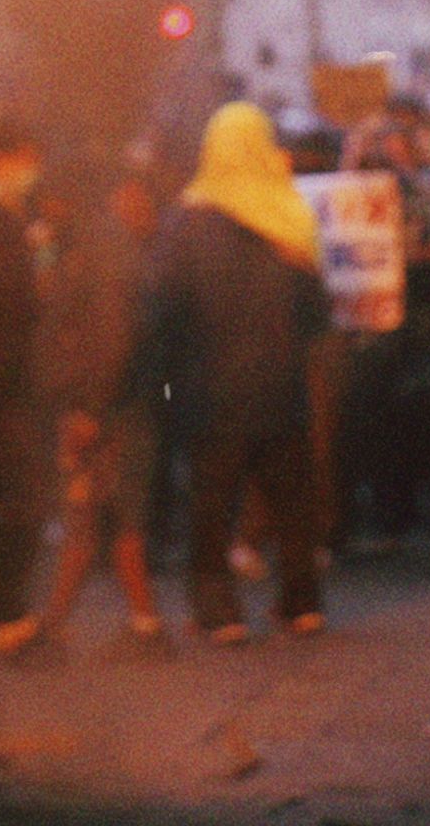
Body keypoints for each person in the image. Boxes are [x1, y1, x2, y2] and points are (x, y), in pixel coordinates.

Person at [147, 102, 329, 641]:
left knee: (212, 507)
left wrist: (165, 385)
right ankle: (301, 602)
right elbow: (315, 312)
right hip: (281, 388)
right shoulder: (289, 213)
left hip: (211, 392)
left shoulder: (187, 222)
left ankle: (219, 610)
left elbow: (165, 307)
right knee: (292, 503)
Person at [36, 169, 165, 642]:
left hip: (108, 410)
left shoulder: (102, 252)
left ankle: (128, 624)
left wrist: (88, 408)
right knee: (104, 516)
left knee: (93, 515)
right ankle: (135, 622)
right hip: (119, 406)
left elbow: (112, 337)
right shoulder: (113, 249)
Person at [0, 118, 46, 654]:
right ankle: (8, 615)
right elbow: (13, 304)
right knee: (16, 495)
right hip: (2, 380)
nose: (31, 169)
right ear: (0, 159)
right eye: (24, 156)